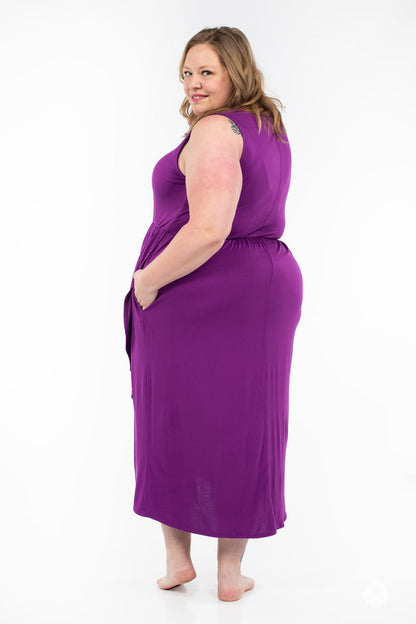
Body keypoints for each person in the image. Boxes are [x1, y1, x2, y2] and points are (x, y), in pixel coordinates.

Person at [123, 26, 303, 602]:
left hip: (201, 289)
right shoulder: (268, 127)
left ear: (235, 72)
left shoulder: (215, 129)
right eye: (187, 72)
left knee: (169, 414)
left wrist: (147, 281)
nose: (193, 83)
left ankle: (179, 560)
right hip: (262, 287)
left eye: (207, 72)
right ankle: (229, 573)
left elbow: (208, 230)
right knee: (245, 421)